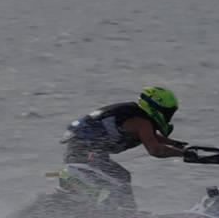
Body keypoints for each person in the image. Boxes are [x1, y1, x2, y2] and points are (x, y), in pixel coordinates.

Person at [59, 86, 190, 210]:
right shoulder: (141, 121)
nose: (168, 117)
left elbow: (149, 136)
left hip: (79, 150)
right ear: (156, 108)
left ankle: (115, 210)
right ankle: (125, 214)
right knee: (119, 177)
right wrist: (183, 154)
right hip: (86, 153)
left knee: (119, 177)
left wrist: (173, 143)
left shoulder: (135, 116)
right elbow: (155, 149)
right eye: (167, 113)